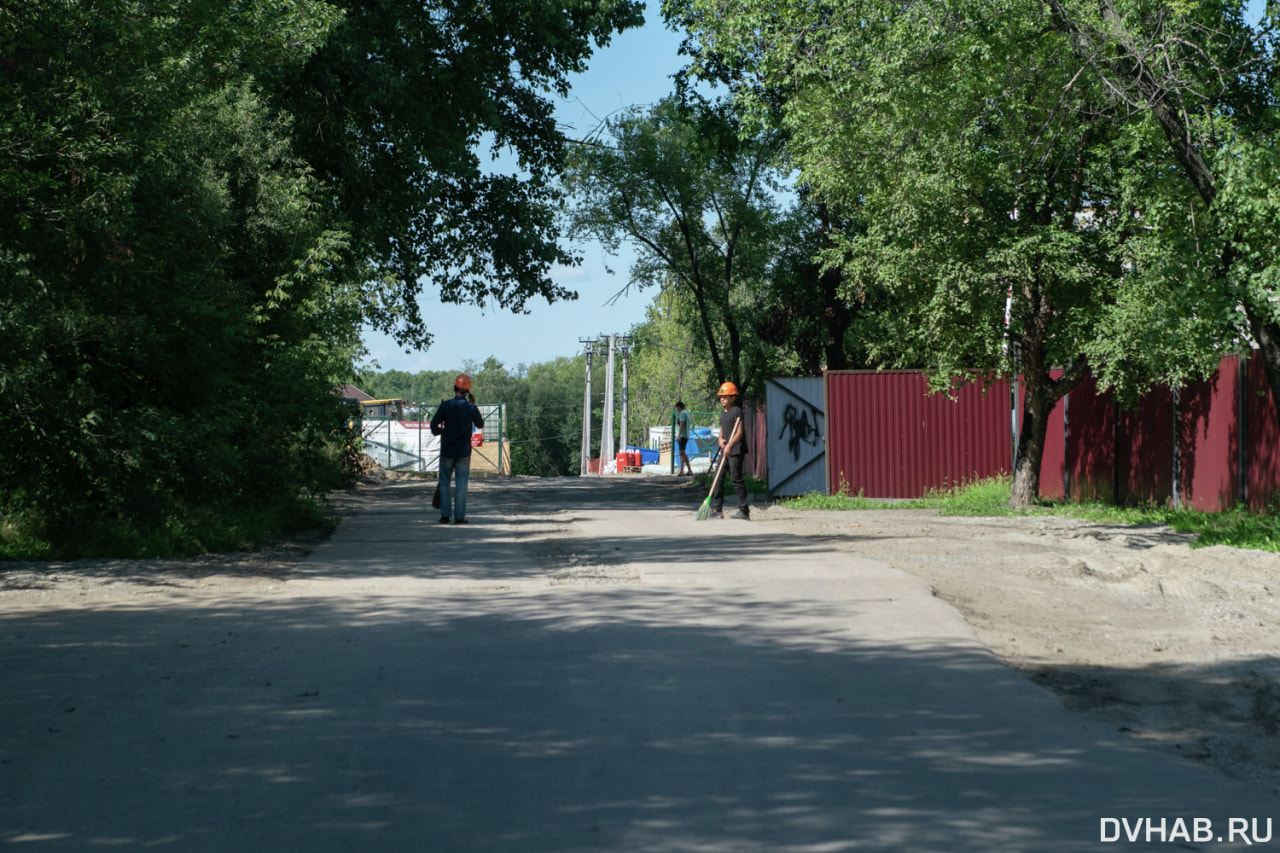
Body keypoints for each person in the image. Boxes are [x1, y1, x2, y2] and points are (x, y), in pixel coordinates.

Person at [430, 374, 484, 524]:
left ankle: (445, 515)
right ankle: (459, 517)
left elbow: (433, 426)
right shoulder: (471, 407)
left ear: (454, 388)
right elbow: (480, 424)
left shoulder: (446, 406)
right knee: (461, 483)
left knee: (445, 481)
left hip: (447, 449)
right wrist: (473, 408)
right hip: (463, 451)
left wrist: (442, 431)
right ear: (467, 391)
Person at [711, 381, 749, 520]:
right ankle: (717, 509)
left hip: (736, 450)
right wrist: (720, 440)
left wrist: (730, 445)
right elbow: (723, 429)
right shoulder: (724, 413)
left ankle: (744, 510)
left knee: (735, 478)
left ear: (733, 397)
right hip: (725, 450)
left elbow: (739, 432)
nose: (722, 399)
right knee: (717, 476)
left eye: (726, 396)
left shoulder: (736, 411)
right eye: (721, 397)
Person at [675, 400, 694, 476]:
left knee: (682, 452)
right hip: (686, 435)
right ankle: (682, 470)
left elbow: (682, 423)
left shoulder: (682, 413)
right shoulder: (687, 413)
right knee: (681, 453)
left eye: (677, 408)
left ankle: (689, 469)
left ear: (679, 407)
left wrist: (679, 435)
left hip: (682, 435)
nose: (677, 409)